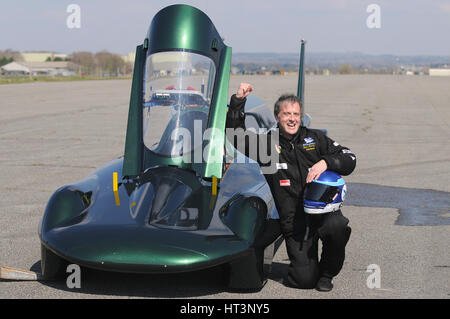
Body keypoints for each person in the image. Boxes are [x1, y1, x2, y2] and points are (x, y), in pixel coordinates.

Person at [225, 83, 356, 291]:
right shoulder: (266, 145)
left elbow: (350, 158)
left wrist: (327, 162)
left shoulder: (316, 139)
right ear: (277, 117)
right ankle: (309, 270)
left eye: (296, 114)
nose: (292, 118)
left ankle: (328, 273)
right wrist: (238, 101)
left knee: (337, 227)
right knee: (303, 281)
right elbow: (236, 136)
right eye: (286, 114)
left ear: (301, 116)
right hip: (294, 220)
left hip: (323, 212)